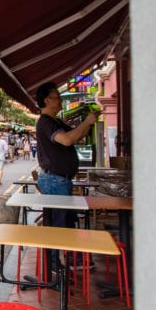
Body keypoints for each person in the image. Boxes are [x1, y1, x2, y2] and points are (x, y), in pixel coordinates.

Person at [35, 82, 99, 229]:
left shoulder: (56, 121)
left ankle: (61, 252)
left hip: (59, 180)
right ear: (47, 101)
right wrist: (87, 122)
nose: (60, 100)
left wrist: (87, 124)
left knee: (64, 224)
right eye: (57, 97)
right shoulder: (45, 122)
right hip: (55, 181)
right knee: (60, 227)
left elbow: (77, 136)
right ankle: (56, 252)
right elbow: (67, 140)